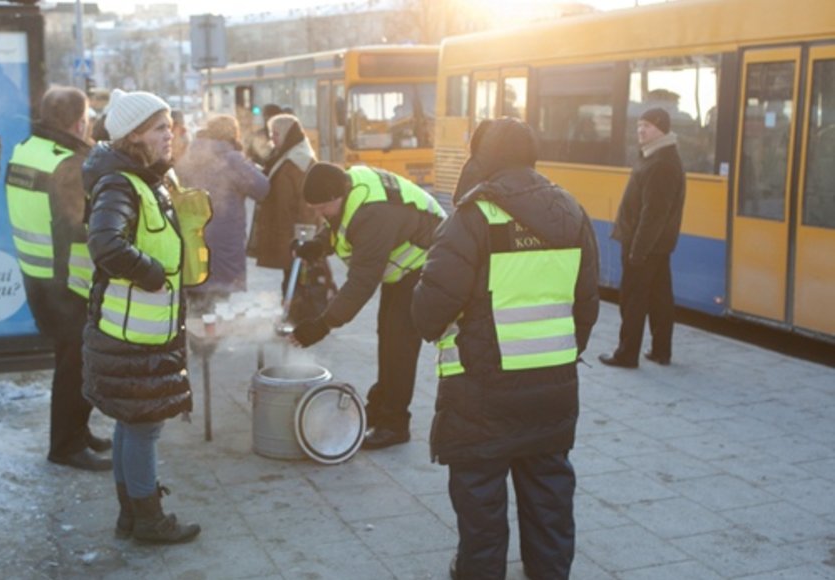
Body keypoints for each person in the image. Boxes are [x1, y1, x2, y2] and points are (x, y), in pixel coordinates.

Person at [411, 117, 599, 580]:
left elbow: (429, 314)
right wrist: (556, 359)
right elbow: (587, 306)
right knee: (550, 497)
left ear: (483, 159)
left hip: (481, 394)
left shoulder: (473, 218)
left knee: (480, 505)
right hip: (552, 390)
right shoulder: (573, 212)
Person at [81, 89, 201, 544]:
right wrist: (151, 274)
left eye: (169, 126)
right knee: (143, 427)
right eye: (159, 128)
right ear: (134, 136)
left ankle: (131, 515)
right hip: (132, 333)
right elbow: (105, 243)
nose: (169, 134)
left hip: (135, 329)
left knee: (130, 425)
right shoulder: (121, 183)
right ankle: (148, 519)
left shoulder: (143, 178)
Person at [291, 162, 445, 449]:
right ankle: (380, 406)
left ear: (339, 194)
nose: (318, 214)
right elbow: (341, 227)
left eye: (322, 207)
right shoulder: (349, 188)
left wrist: (323, 324)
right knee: (388, 336)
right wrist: (319, 244)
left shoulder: (374, 214)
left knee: (399, 343)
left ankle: (395, 424)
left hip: (427, 266)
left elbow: (362, 282)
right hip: (405, 270)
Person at [4, 86, 112, 472]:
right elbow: (80, 226)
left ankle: (77, 432)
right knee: (75, 366)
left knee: (68, 360)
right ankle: (66, 446)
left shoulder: (27, 149)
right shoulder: (67, 163)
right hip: (68, 281)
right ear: (80, 121)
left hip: (39, 276)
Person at [599, 107, 685, 368]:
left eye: (646, 126)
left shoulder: (661, 163)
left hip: (643, 245)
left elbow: (653, 215)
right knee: (660, 299)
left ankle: (626, 354)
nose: (640, 130)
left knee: (633, 300)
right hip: (655, 246)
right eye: (639, 126)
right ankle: (661, 351)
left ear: (661, 129)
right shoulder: (657, 156)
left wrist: (637, 251)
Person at [175, 115, 269, 313]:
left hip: (191, 235)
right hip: (223, 240)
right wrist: (248, 163)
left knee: (194, 292)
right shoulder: (232, 159)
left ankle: (195, 336)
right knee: (217, 302)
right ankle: (206, 340)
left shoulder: (189, 155)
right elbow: (262, 188)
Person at [252, 113, 320, 298]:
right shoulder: (287, 155)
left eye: (276, 134)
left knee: (296, 283)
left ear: (288, 135)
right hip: (287, 232)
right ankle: (294, 317)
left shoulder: (298, 161)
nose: (272, 139)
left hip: (295, 235)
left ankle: (298, 320)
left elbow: (307, 204)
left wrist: (305, 240)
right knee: (291, 281)